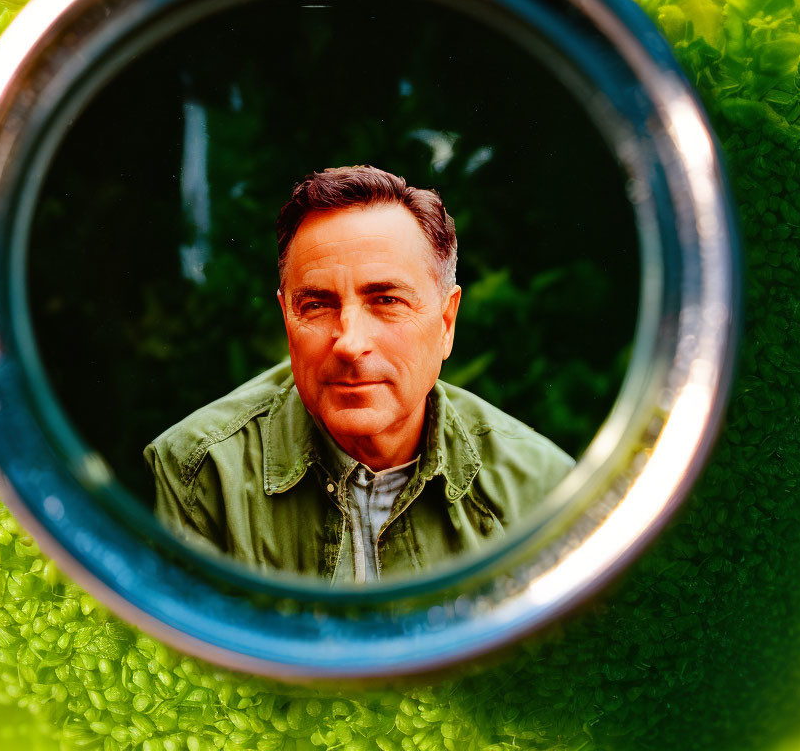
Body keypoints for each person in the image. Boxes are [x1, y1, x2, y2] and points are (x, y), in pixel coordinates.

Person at [143, 166, 574, 581]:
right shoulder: (200, 473)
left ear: (446, 323)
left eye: (386, 301)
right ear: (286, 320)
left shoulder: (541, 489)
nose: (349, 343)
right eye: (316, 305)